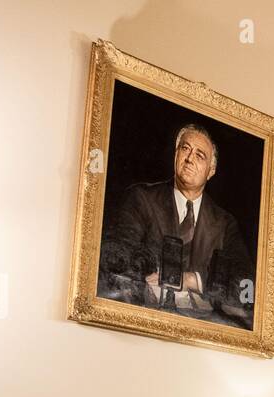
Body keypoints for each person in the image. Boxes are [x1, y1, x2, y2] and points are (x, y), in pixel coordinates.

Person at [98, 123, 255, 325]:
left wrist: (193, 280)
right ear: (175, 155)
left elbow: (247, 285)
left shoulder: (224, 224)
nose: (190, 158)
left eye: (200, 155)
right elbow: (113, 258)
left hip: (200, 331)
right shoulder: (141, 199)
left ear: (211, 170)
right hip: (142, 322)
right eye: (185, 148)